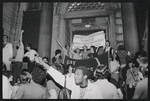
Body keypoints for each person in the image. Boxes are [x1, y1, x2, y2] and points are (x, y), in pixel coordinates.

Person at [35, 57, 103, 99]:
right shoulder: (73, 85)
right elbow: (58, 76)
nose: (75, 76)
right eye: (75, 74)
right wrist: (42, 63)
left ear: (85, 76)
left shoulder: (95, 89)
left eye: (78, 74)